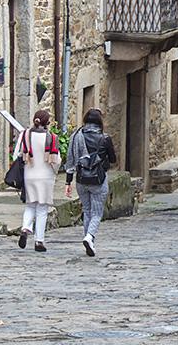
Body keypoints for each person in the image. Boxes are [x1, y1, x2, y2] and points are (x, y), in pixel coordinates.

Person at [65, 107, 116, 257]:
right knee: (97, 212)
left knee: (87, 210)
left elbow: (70, 160)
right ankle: (89, 237)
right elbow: (113, 159)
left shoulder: (76, 136)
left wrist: (68, 182)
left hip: (81, 179)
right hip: (98, 180)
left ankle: (89, 240)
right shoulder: (105, 138)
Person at [13, 109, 60, 252]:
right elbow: (56, 160)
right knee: (42, 209)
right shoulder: (52, 137)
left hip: (30, 174)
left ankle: (26, 227)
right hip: (46, 176)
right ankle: (39, 241)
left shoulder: (25, 135)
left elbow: (17, 155)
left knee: (30, 205)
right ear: (47, 123)